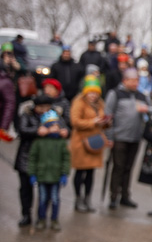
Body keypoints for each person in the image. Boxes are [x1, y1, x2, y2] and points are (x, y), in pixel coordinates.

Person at [14, 94, 66, 227]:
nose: (44, 110)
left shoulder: (55, 115)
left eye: (47, 107)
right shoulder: (27, 115)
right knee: (26, 189)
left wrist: (63, 131)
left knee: (46, 192)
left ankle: (42, 217)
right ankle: (26, 214)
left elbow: (65, 128)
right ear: (35, 106)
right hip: (27, 157)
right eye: (41, 107)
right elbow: (22, 130)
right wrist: (38, 131)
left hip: (47, 159)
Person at [104, 68, 149, 209]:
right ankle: (113, 196)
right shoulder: (116, 94)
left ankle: (125, 195)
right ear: (125, 80)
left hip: (135, 138)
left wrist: (146, 110)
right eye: (133, 80)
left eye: (137, 80)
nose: (135, 83)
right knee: (118, 167)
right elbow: (108, 116)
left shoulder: (141, 96)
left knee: (129, 168)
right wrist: (110, 136)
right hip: (119, 137)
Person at [69, 76, 109, 213]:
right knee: (80, 172)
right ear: (86, 92)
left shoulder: (100, 103)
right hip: (81, 142)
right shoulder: (79, 102)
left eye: (96, 93)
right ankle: (78, 199)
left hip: (95, 142)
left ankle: (88, 199)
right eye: (91, 92)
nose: (93, 95)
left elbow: (103, 120)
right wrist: (93, 122)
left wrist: (106, 122)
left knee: (91, 173)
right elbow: (75, 122)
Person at [28, 109, 70, 231]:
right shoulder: (38, 142)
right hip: (42, 176)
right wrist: (32, 174)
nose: (55, 128)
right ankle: (41, 219)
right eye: (52, 125)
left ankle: (54, 219)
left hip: (56, 176)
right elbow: (33, 159)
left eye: (57, 125)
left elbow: (66, 159)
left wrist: (64, 174)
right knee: (42, 199)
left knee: (55, 199)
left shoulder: (62, 143)